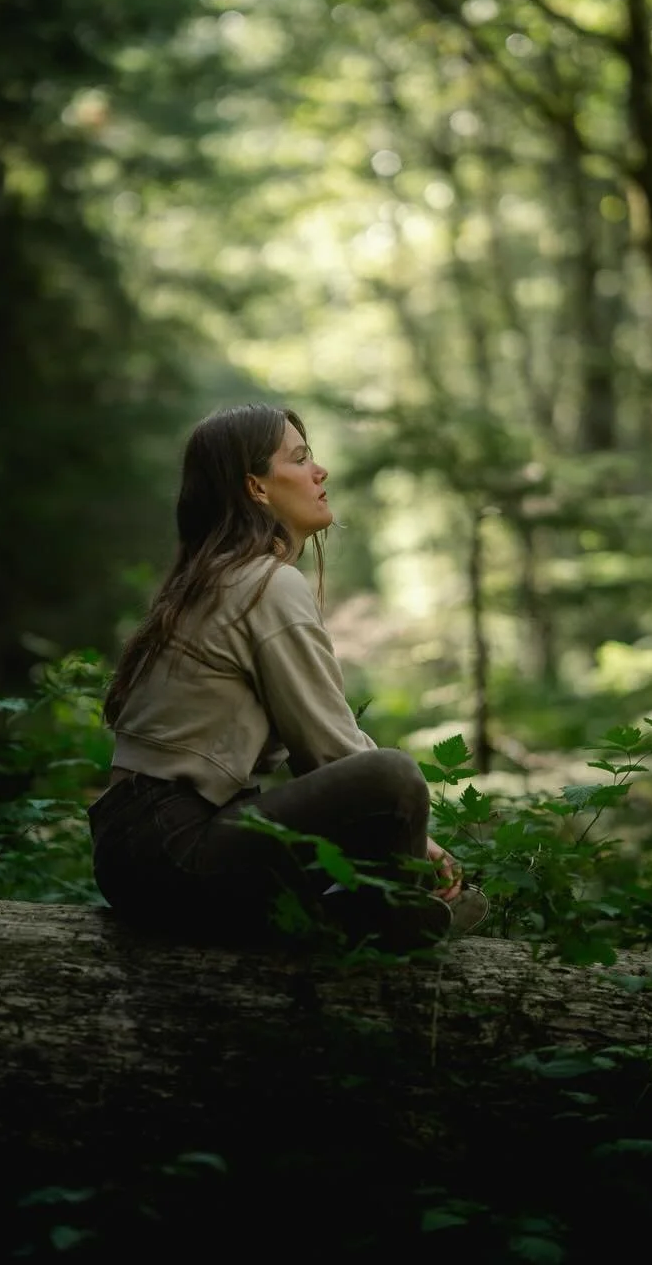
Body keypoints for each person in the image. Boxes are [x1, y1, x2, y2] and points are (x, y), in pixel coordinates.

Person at [89, 402, 489, 951]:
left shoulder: (216, 578)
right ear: (256, 488)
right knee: (392, 778)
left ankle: (347, 927)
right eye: (299, 459)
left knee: (382, 798)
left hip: (136, 851)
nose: (319, 472)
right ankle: (387, 926)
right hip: (173, 850)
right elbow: (330, 749)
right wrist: (417, 841)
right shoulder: (264, 585)